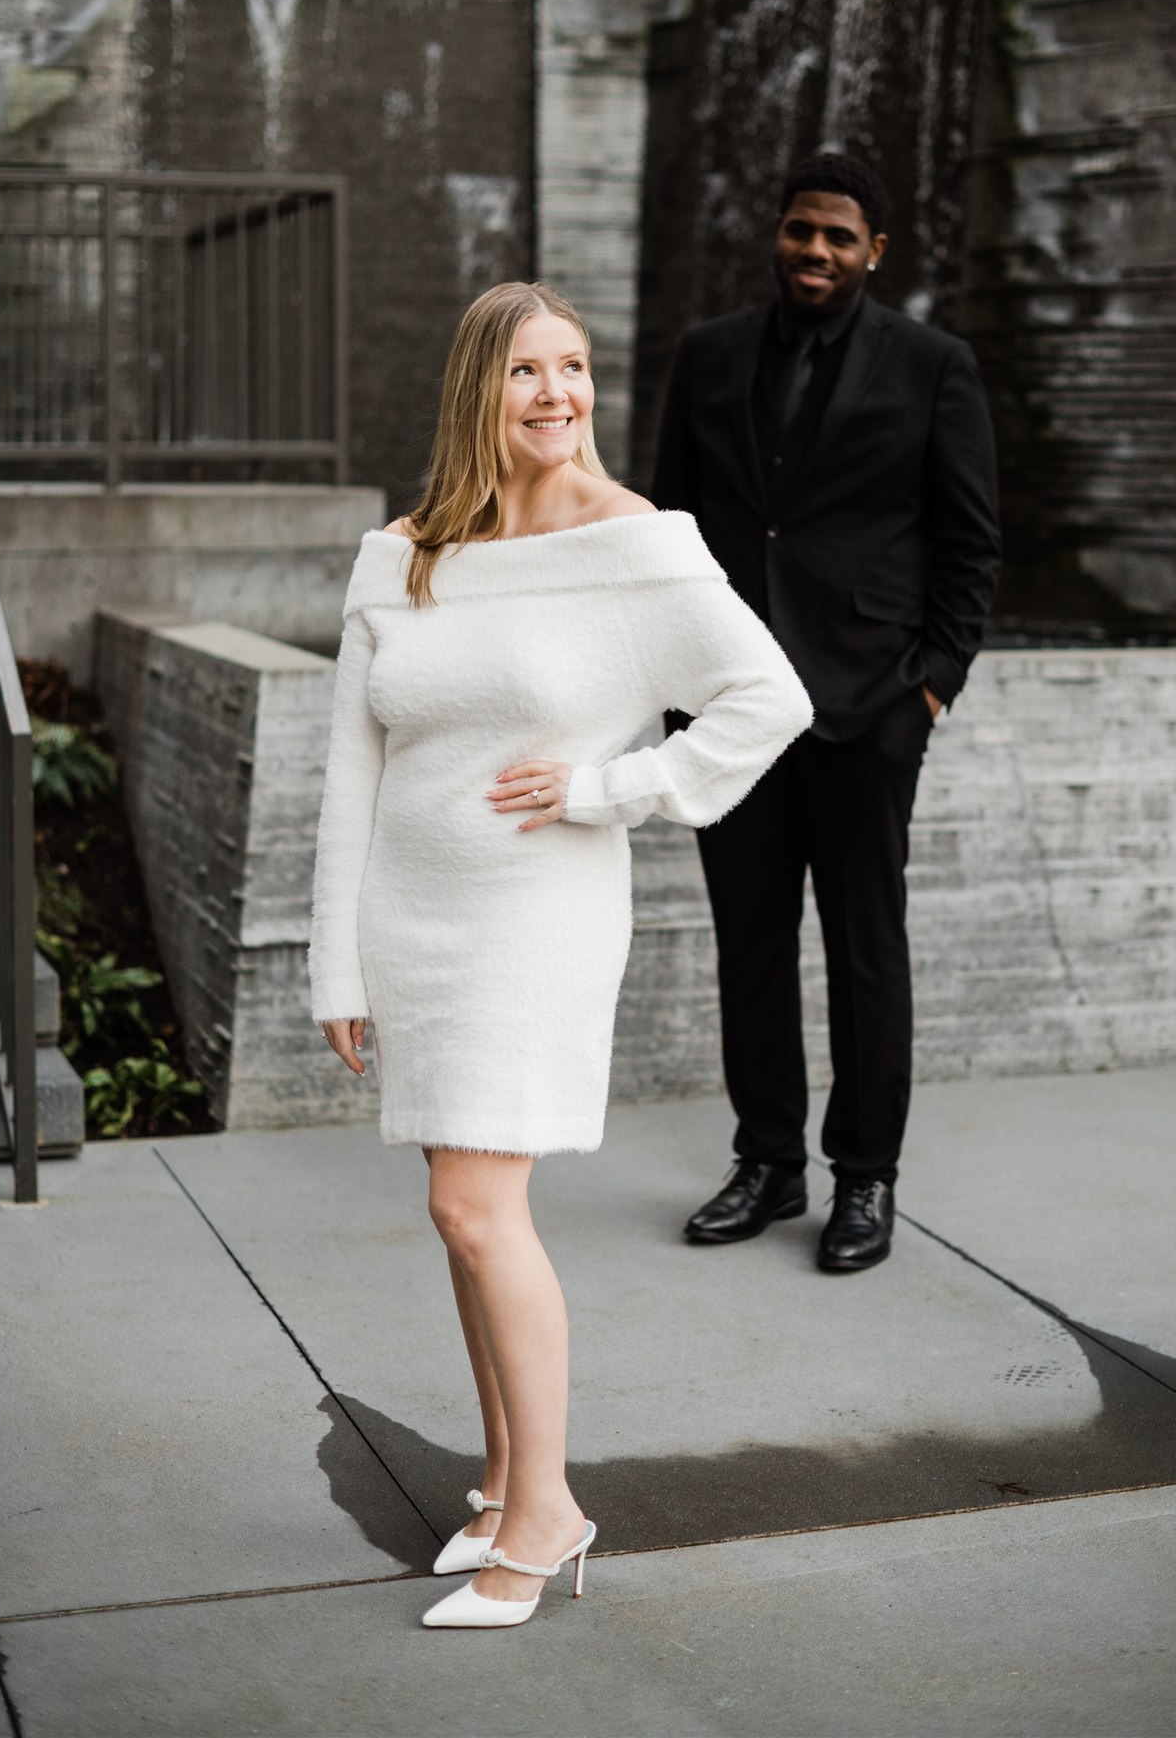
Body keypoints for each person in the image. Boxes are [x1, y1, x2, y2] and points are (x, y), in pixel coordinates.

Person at [307, 280, 811, 1631]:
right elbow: (351, 764)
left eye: (574, 369)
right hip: (409, 918)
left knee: (480, 1209)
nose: (558, 396)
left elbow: (771, 699)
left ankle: (548, 1515)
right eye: (528, 371)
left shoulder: (633, 543)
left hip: (534, 920)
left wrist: (612, 788)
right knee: (454, 1212)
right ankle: (499, 1481)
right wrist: (333, 962)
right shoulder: (405, 552)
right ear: (480, 388)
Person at [651, 150, 1001, 1274]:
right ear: (777, 232)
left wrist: (930, 683)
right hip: (727, 707)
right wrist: (671, 683)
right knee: (748, 948)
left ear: (874, 251)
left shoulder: (934, 365)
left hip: (865, 707)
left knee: (863, 950)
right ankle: (767, 1162)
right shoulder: (707, 356)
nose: (815, 250)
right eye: (801, 229)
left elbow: (969, 542)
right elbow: (668, 528)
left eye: (839, 237)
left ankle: (864, 1178)